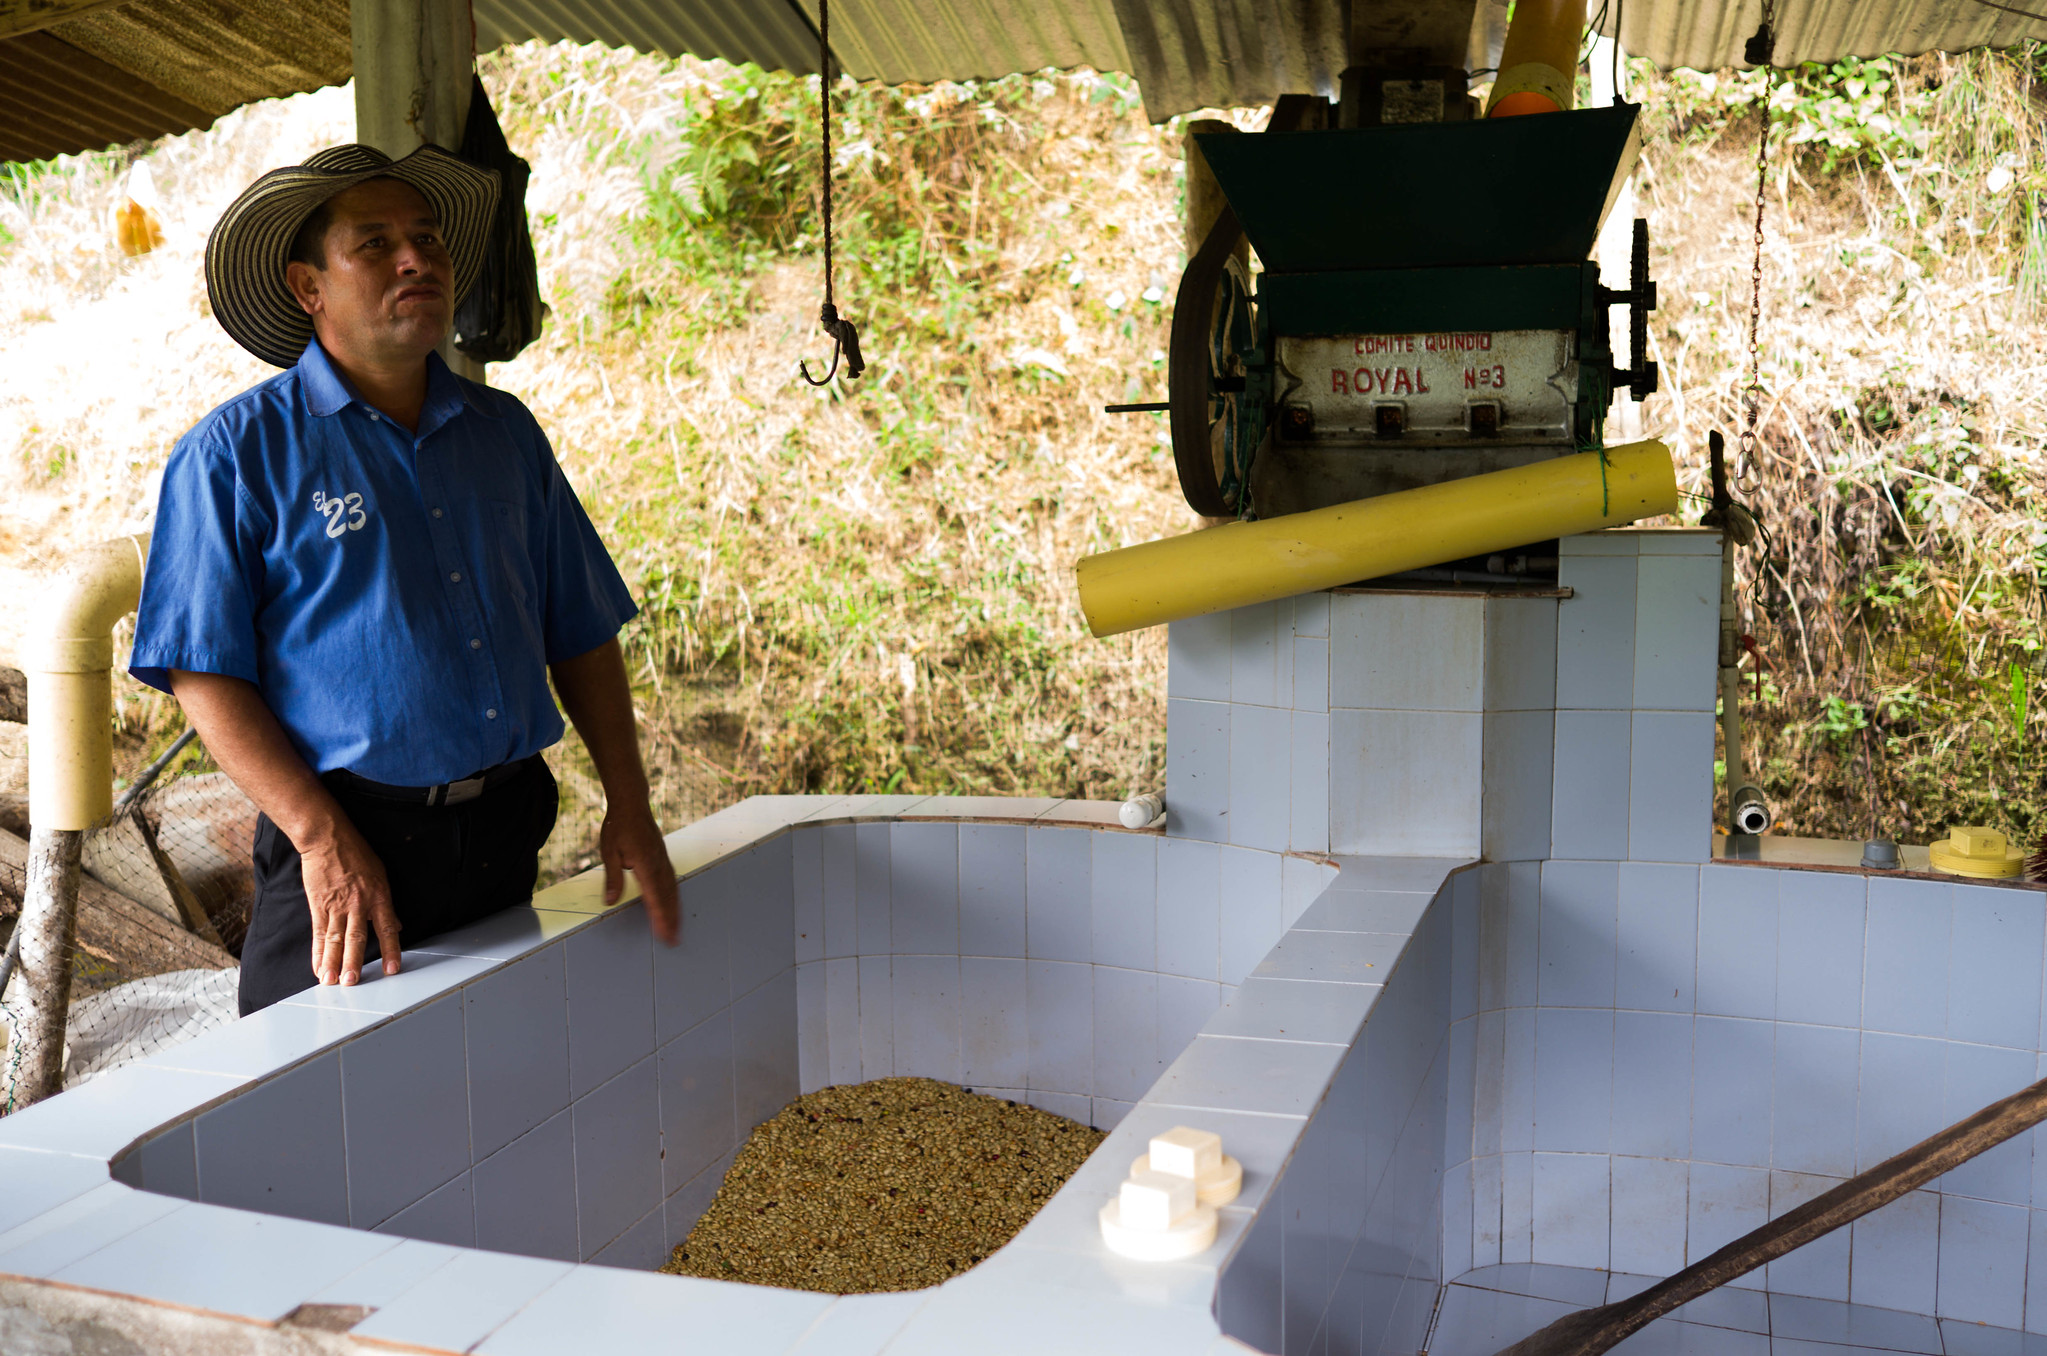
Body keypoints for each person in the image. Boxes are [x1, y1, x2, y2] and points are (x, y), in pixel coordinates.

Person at [129, 143, 678, 1015]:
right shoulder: (235, 455)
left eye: (427, 238)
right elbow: (201, 672)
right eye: (375, 244)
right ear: (308, 288)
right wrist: (320, 838)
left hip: (504, 826)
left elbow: (578, 628)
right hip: (351, 833)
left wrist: (630, 801)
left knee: (491, 1075)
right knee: (307, 1099)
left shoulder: (505, 435)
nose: (416, 258)